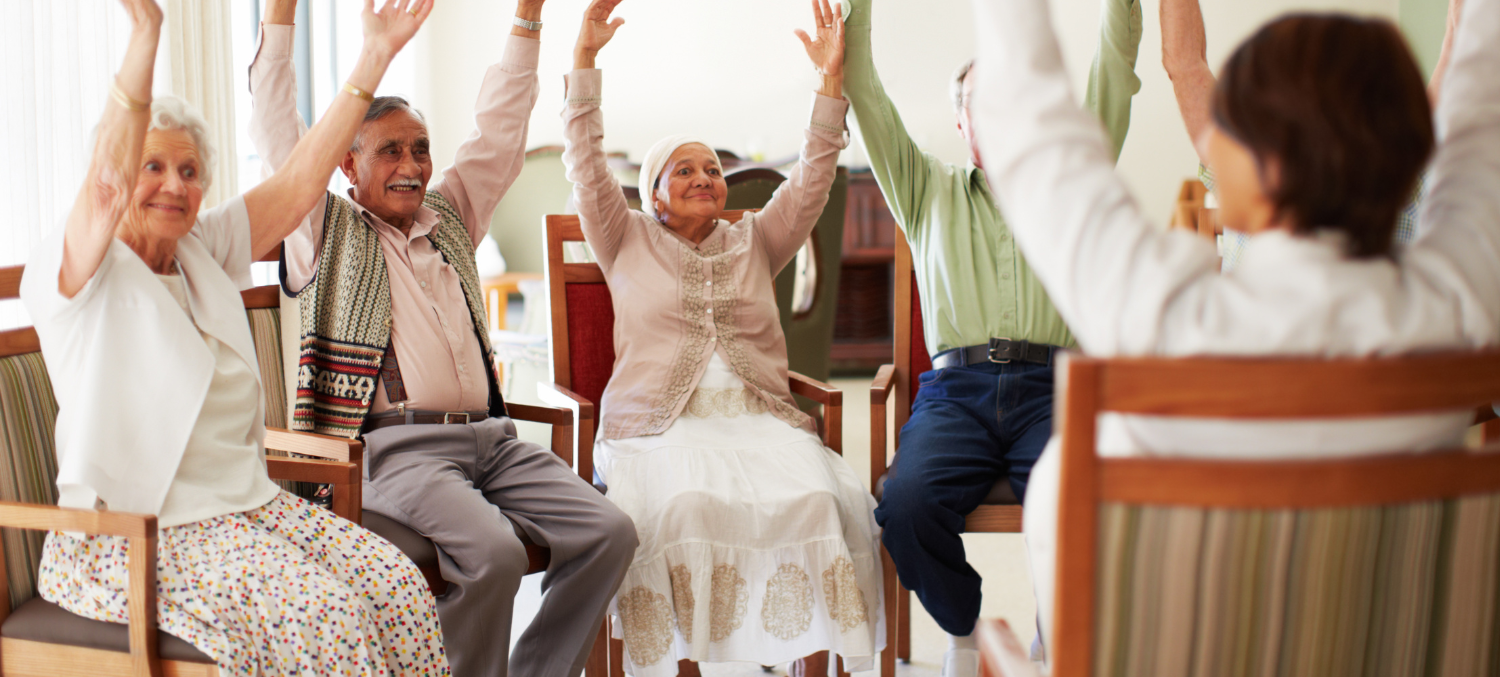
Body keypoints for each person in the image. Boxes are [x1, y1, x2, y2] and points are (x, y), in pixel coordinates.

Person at [967, 0, 1500, 652]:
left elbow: (1029, 127)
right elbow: (1481, 120)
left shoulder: (1160, 317)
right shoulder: (1457, 313)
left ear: (1253, 167)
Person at [21, 0, 447, 674]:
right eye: (152, 166)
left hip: (247, 506)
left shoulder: (201, 250)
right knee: (327, 614)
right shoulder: (78, 269)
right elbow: (104, 187)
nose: (173, 184)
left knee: (397, 588)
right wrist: (146, 34)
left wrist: (374, 56)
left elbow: (301, 181)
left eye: (189, 171)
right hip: (135, 532)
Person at [247, 0, 637, 675]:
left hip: (493, 440)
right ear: (345, 163)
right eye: (390, 149)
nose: (411, 163)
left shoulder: (450, 216)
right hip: (395, 452)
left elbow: (500, 129)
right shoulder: (322, 227)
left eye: (420, 148)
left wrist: (527, 18)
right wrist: (280, 15)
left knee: (610, 530)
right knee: (495, 554)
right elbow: (278, 126)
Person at [560, 1, 882, 675]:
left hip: (760, 422)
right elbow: (586, 164)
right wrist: (584, 62)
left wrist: (830, 85)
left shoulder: (757, 238)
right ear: (655, 197)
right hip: (658, 431)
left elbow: (816, 176)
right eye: (685, 170)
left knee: (817, 499)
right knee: (684, 507)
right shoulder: (624, 239)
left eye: (711, 168)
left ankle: (807, 659)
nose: (705, 177)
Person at [840, 0, 1141, 670]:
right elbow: (863, 88)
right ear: (962, 120)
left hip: (1055, 389)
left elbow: (1115, 68)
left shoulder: (1072, 183)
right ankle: (969, 631)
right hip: (956, 394)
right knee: (906, 505)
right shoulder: (927, 190)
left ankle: (1053, 644)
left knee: (1088, 506)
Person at [1161, 0, 1465, 270]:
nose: (1212, 142)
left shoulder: (1254, 180)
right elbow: (1458, 49)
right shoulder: (1401, 185)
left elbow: (1185, 64)